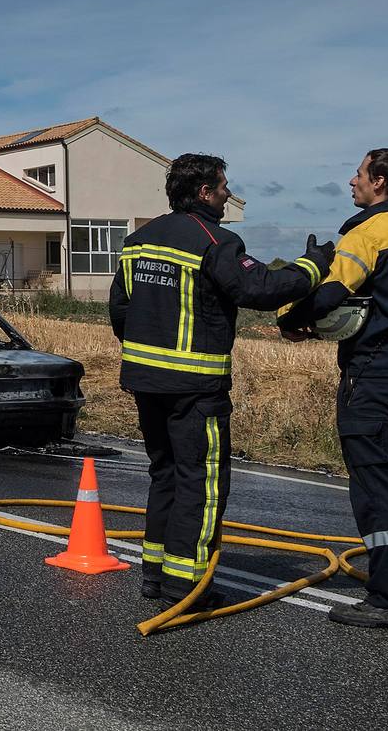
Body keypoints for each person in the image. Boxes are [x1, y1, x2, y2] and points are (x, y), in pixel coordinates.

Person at [108, 153, 334, 609]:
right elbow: (260, 289)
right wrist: (312, 266)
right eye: (224, 186)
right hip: (195, 388)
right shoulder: (216, 241)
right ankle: (187, 586)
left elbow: (120, 311)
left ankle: (155, 574)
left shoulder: (138, 240)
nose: (229, 193)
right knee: (202, 481)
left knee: (165, 474)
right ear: (205, 192)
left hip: (146, 383)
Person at [277, 149, 388, 631]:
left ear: (377, 181)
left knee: (377, 485)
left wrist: (292, 319)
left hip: (372, 372)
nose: (351, 181)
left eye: (357, 173)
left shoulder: (367, 233)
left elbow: (332, 293)